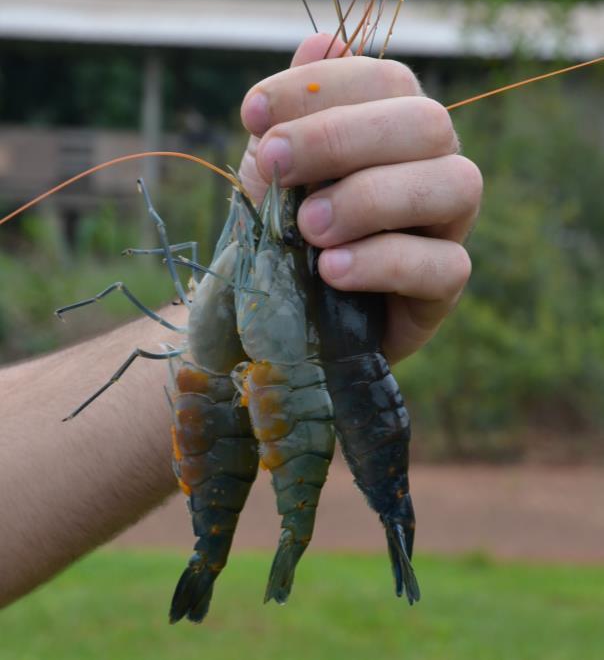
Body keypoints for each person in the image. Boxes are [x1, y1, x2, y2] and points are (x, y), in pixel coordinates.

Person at [0, 34, 482, 607]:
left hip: (274, 403)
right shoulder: (251, 330)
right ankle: (234, 554)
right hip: (258, 411)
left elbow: (228, 345)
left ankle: (262, 547)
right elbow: (231, 349)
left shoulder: (257, 334)